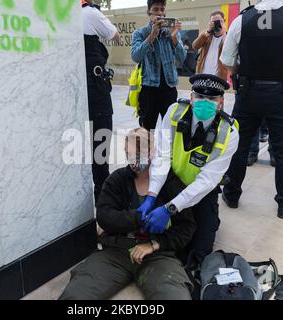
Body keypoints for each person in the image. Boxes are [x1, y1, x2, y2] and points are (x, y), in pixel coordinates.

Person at [59, 128, 195, 300]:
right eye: (130, 155)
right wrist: (137, 218)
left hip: (157, 257)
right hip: (117, 251)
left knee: (175, 296)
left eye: (140, 155)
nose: (135, 162)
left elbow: (187, 227)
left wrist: (155, 244)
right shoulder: (118, 179)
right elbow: (104, 215)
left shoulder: (171, 183)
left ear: (153, 152)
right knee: (76, 295)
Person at [220, 0, 283, 219]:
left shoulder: (241, 20)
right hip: (282, 94)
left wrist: (245, 70)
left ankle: (231, 193)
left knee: (240, 145)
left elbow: (227, 61)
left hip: (248, 94)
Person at [137, 74, 239, 266]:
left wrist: (170, 208)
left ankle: (208, 219)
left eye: (212, 98)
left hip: (202, 191)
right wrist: (152, 195)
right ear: (191, 98)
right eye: (200, 97)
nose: (205, 102)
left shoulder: (229, 132)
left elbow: (207, 181)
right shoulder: (174, 112)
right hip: (172, 181)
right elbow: (162, 156)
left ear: (221, 102)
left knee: (199, 252)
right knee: (149, 230)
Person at [82, 0, 120, 204]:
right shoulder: (89, 12)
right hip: (95, 92)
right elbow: (114, 34)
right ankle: (103, 201)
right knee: (100, 146)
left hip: (73, 90)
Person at [131, 0, 187, 131]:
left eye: (162, 9)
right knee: (146, 131)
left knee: (170, 130)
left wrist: (174, 38)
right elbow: (135, 56)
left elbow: (182, 57)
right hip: (149, 90)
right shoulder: (140, 33)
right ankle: (147, 151)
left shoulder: (171, 33)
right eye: (156, 9)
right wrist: (152, 36)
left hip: (169, 89)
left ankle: (165, 152)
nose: (160, 13)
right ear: (149, 12)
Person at [192, 10, 228, 79]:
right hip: (202, 76)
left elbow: (228, 50)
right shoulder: (206, 35)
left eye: (219, 21)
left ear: (224, 21)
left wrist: (224, 32)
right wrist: (208, 32)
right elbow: (195, 46)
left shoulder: (227, 37)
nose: (216, 24)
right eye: (213, 22)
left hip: (218, 78)